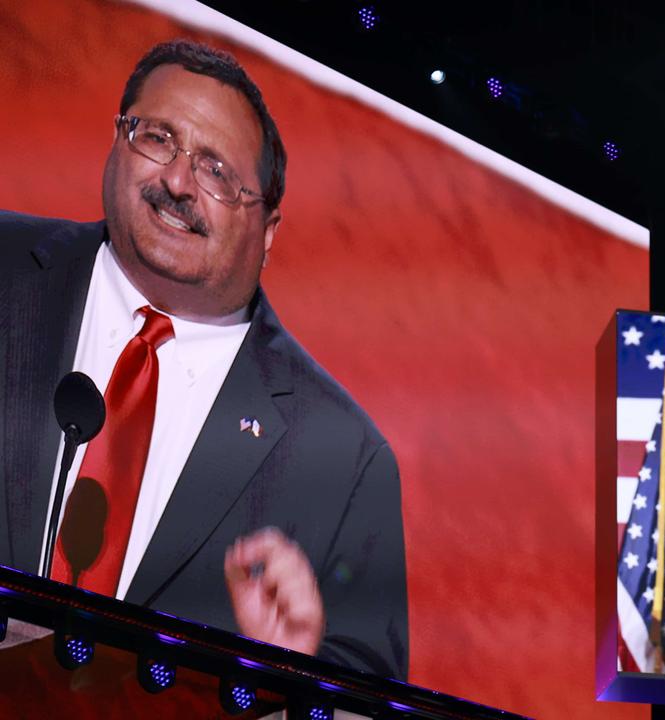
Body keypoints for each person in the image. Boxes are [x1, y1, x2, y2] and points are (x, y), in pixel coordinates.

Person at [0, 40, 407, 680]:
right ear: (116, 140)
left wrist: (291, 679)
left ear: (268, 232)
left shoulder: (345, 458)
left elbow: (364, 694)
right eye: (157, 137)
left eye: (217, 171)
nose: (178, 182)